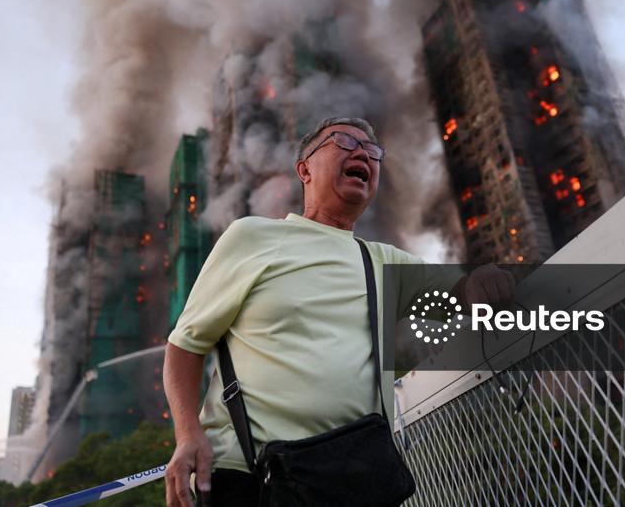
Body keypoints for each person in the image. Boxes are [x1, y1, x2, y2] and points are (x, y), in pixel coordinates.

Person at [163, 117, 515, 506]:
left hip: (354, 481)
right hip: (252, 478)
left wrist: (484, 278)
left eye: (372, 151)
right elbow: (185, 345)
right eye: (344, 142)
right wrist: (187, 434)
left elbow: (462, 291)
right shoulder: (252, 237)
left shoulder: (384, 262)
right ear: (304, 170)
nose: (362, 152)